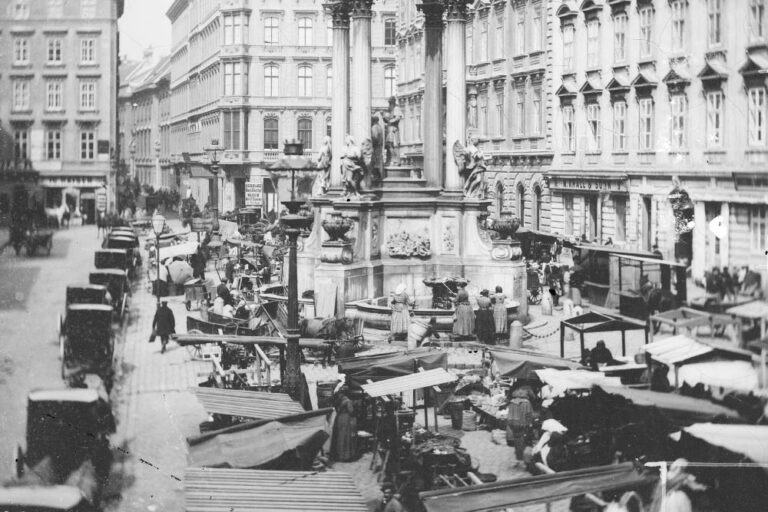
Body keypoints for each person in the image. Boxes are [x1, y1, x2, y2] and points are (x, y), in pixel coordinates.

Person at [506, 388, 534, 464]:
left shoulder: (512, 402)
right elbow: (529, 414)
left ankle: (519, 457)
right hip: (523, 424)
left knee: (517, 441)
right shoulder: (526, 403)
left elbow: (509, 415)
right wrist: (530, 424)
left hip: (513, 425)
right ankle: (524, 459)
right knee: (525, 441)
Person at [331, 388, 357, 462]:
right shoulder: (347, 401)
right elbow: (351, 411)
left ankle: (339, 455)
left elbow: (336, 409)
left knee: (340, 437)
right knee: (346, 436)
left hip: (339, 418)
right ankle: (346, 456)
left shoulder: (339, 400)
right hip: (346, 419)